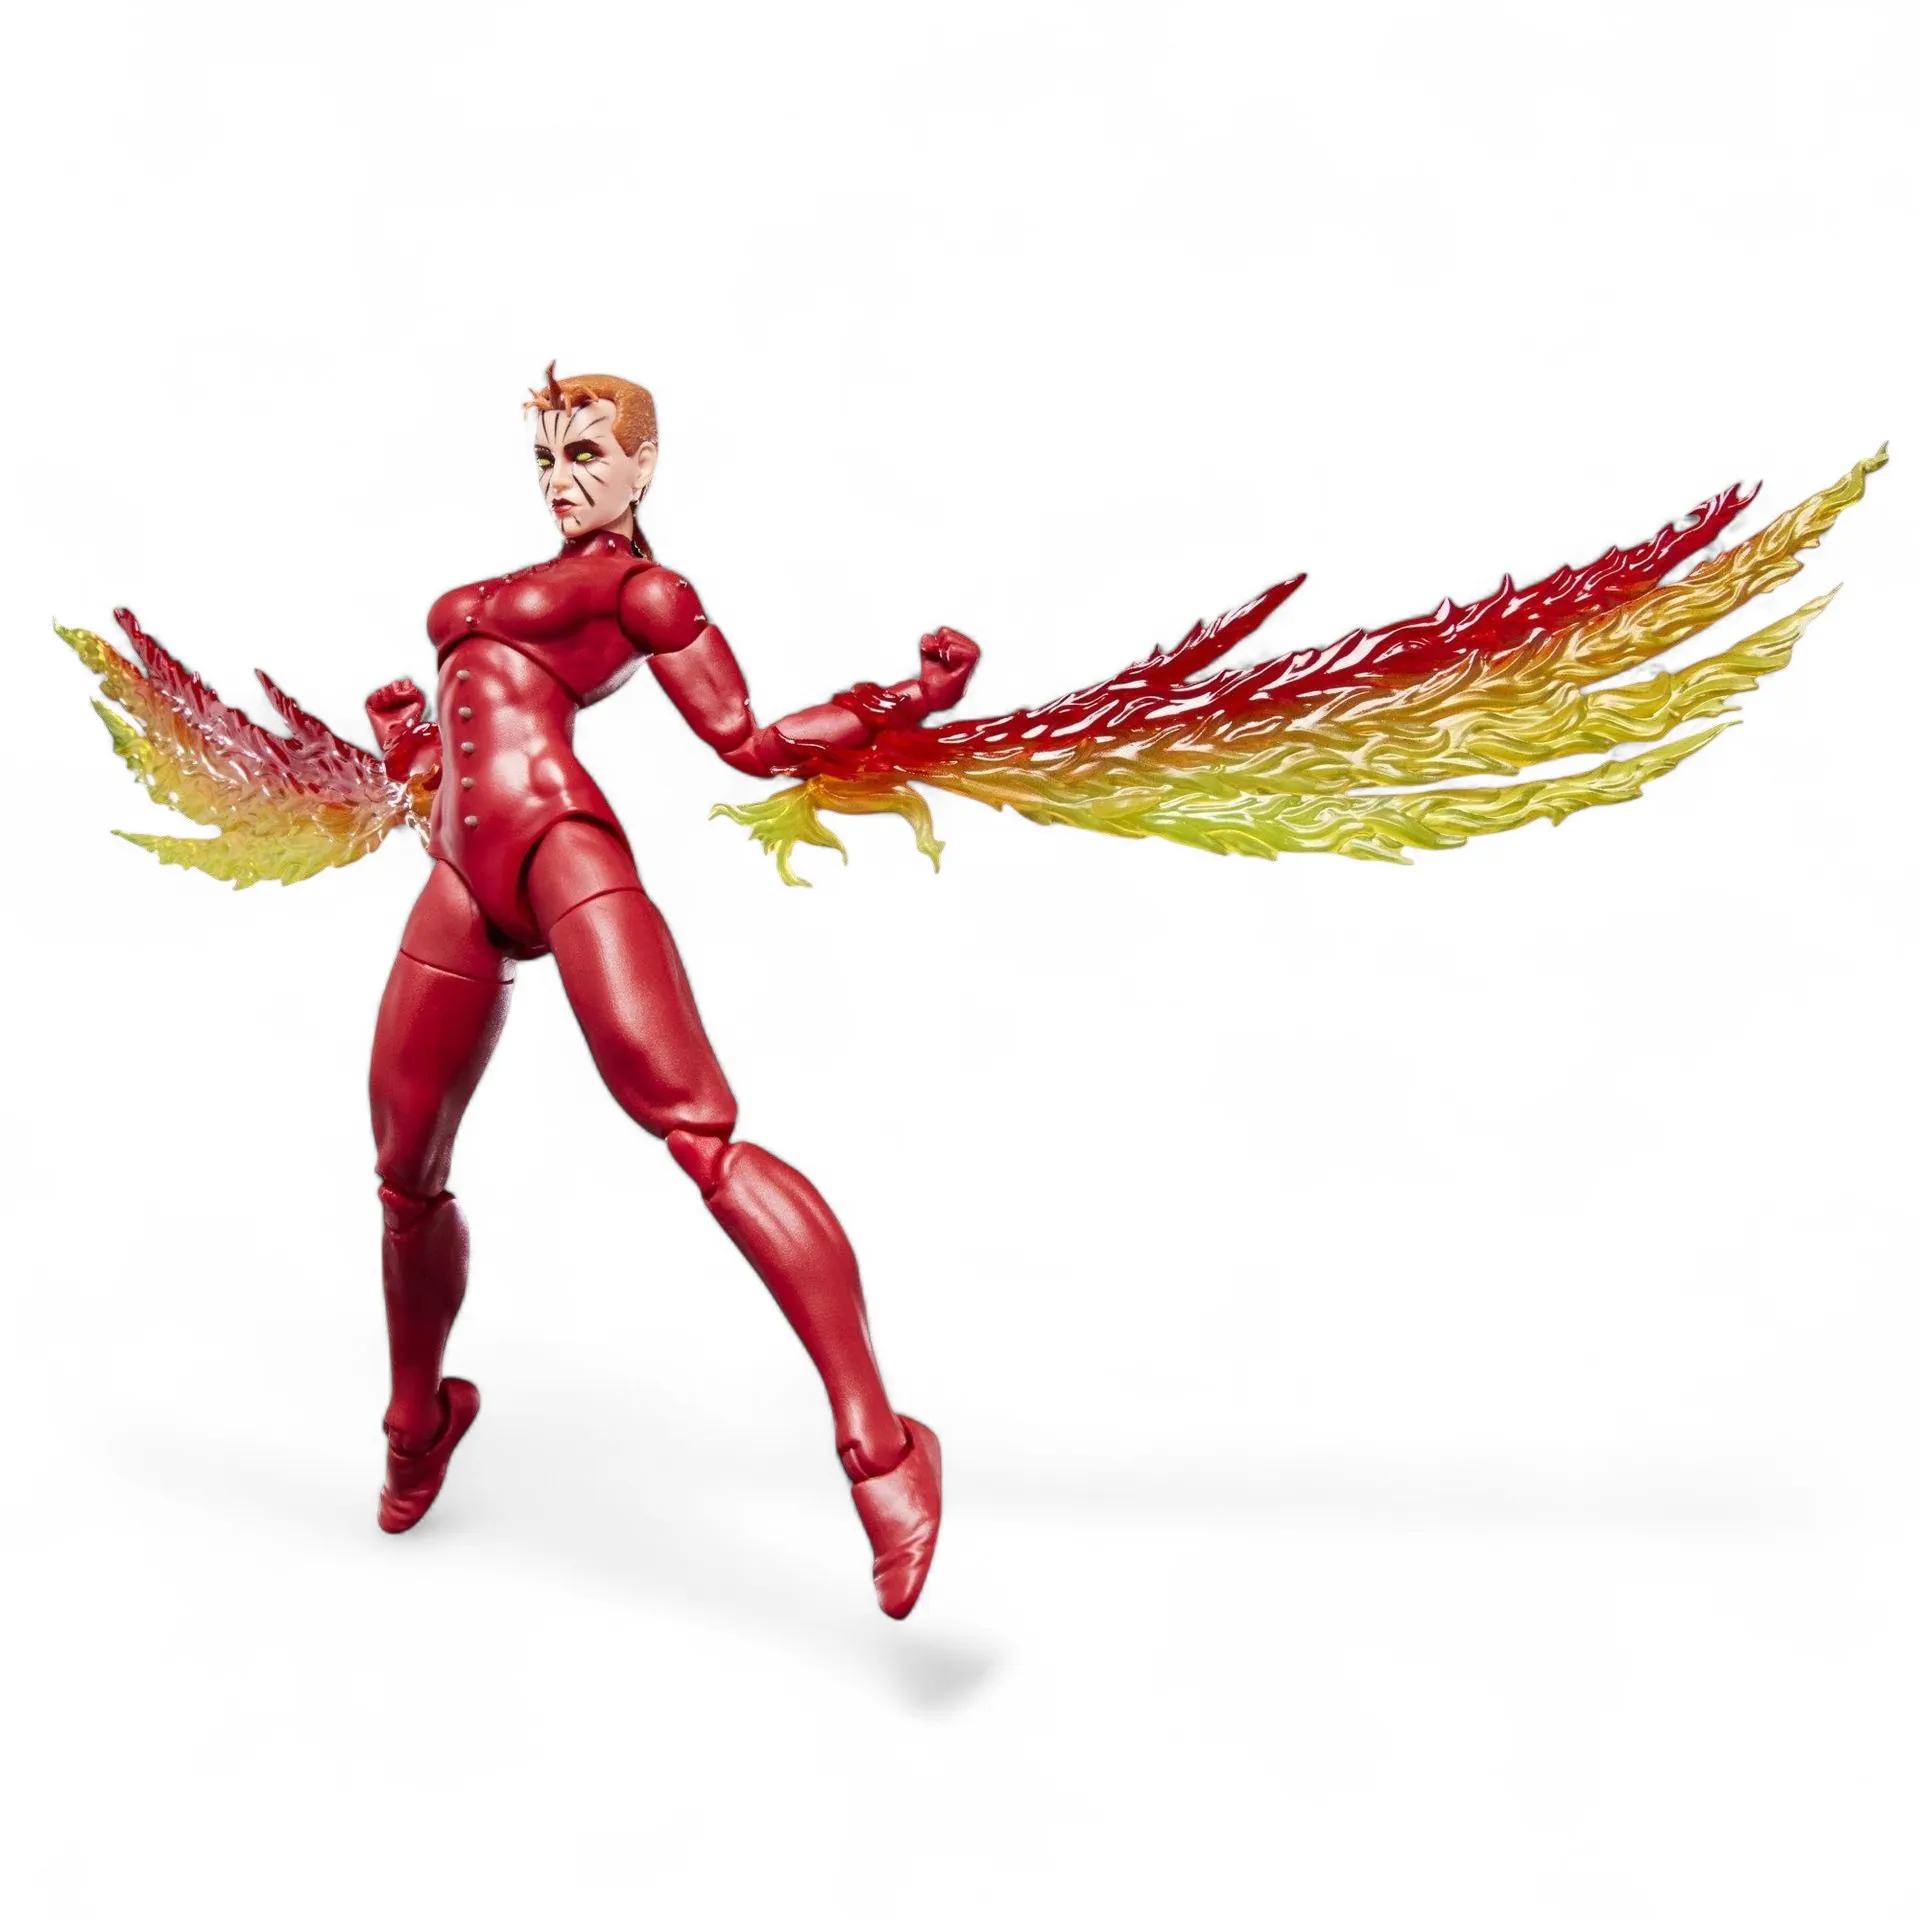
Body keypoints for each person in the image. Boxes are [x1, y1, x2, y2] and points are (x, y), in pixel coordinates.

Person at [363, 365, 978, 1619]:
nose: (562, 477)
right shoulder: (500, 589)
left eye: (588, 452)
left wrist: (906, 700)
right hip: (459, 874)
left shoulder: (644, 591)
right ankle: (419, 1421)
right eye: (548, 457)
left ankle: (883, 1450)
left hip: (559, 848)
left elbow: (749, 739)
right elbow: (458, 756)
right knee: (403, 1167)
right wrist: (412, 749)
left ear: (646, 464)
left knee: (699, 1131)